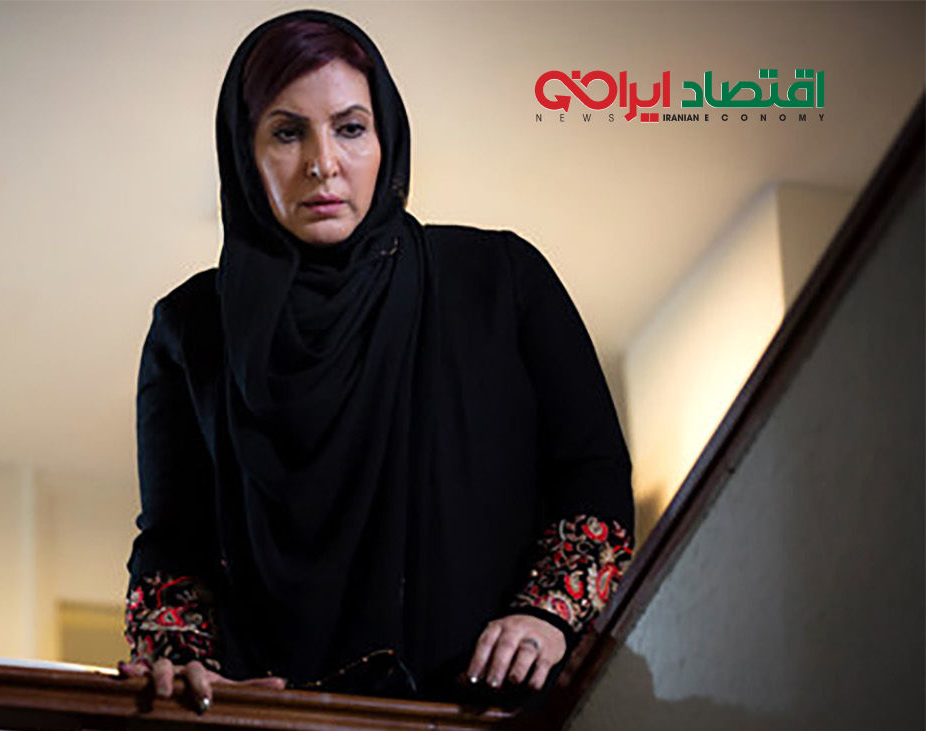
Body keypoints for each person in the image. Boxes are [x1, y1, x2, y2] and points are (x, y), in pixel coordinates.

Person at [117, 8, 634, 711]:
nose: (322, 163)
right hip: (278, 719)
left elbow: (592, 473)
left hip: (484, 711)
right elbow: (173, 546)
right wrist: (180, 661)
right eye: (287, 132)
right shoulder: (191, 329)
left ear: (386, 137)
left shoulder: (498, 280)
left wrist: (544, 615)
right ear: (244, 154)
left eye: (351, 128)